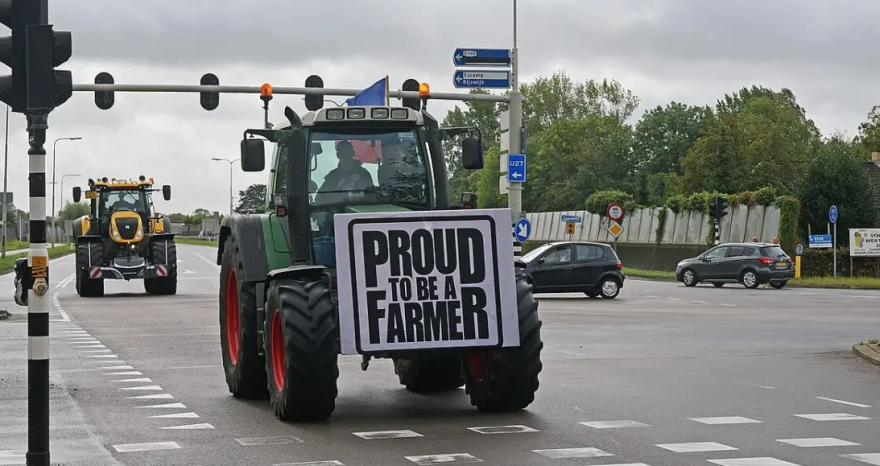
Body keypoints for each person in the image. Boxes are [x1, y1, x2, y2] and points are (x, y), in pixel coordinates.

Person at [315, 140, 375, 204]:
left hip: (359, 209)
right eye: (342, 154)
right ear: (338, 155)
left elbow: (372, 196)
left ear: (353, 153)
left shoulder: (364, 175)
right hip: (336, 210)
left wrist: (360, 181)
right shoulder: (332, 176)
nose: (345, 157)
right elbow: (321, 197)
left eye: (347, 153)